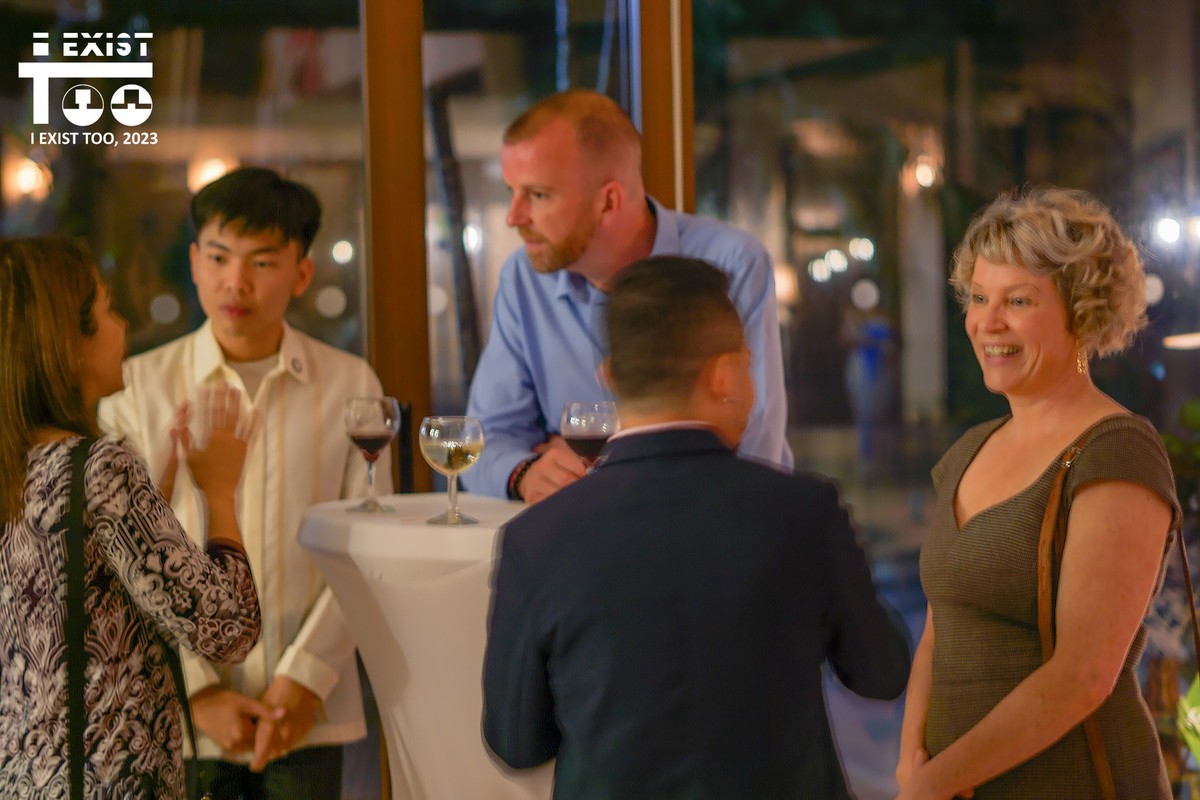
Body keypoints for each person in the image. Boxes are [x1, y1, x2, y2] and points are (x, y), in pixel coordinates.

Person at [483, 255, 911, 798]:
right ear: (724, 375)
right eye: (748, 367)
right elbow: (881, 673)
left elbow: (515, 743)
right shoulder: (806, 513)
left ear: (609, 376)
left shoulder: (536, 539)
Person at [99, 167, 390, 799]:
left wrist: (306, 677)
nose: (236, 282)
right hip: (174, 716)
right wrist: (198, 691)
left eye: (262, 262)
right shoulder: (136, 388)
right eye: (219, 257)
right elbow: (123, 559)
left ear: (301, 274)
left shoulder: (350, 383)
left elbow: (367, 542)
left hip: (307, 714)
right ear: (194, 262)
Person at [897, 187, 1179, 799]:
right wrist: (910, 764)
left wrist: (934, 782)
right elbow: (940, 628)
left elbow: (1081, 678)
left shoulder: (1116, 450)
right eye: (978, 298)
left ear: (1082, 310)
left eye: (1018, 301)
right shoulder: (969, 450)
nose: (986, 322)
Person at [0, 237, 264, 798]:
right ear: (68, 344)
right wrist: (219, 492)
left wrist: (154, 495)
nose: (123, 326)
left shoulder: (19, 466)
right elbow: (229, 630)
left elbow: (83, 602)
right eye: (108, 311)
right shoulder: (98, 469)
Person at [462, 89, 793, 504]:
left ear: (608, 201)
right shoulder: (523, 278)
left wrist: (609, 466)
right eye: (512, 190)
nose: (514, 217)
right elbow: (483, 442)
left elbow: (753, 447)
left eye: (539, 195)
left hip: (713, 526)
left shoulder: (732, 264)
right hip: (583, 532)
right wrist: (526, 472)